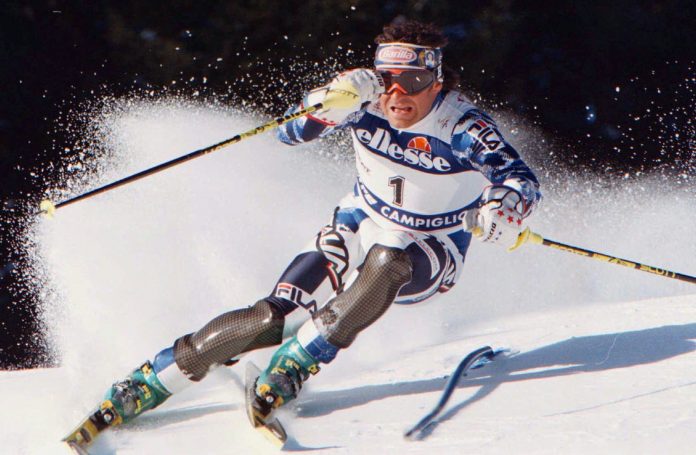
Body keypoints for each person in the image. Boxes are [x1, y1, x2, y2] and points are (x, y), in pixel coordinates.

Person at [85, 19, 541, 433]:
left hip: (431, 245)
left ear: (435, 80)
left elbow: (519, 178)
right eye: (389, 81)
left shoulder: (461, 125)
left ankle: (295, 364)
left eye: (415, 81)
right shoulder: (363, 100)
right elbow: (289, 133)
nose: (399, 96)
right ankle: (148, 382)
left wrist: (504, 207)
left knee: (387, 263)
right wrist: (330, 104)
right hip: (359, 221)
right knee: (271, 317)